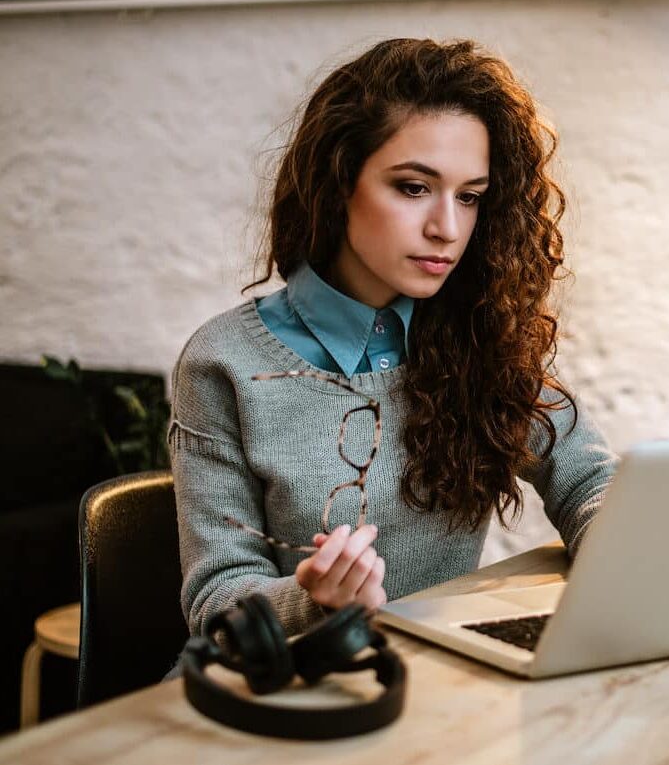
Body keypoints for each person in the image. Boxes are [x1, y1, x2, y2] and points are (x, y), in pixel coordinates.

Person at [170, 38, 617, 639]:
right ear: (338, 182)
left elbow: (589, 482)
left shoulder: (479, 335)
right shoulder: (222, 362)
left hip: (438, 683)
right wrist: (312, 599)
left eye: (470, 197)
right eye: (412, 187)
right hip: (283, 695)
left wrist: (621, 554)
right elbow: (216, 602)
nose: (447, 228)